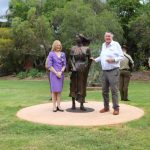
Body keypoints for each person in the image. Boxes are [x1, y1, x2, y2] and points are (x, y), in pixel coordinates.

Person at [91, 32, 124, 115]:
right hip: (104, 71)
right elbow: (102, 56)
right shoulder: (103, 45)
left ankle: (116, 108)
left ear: (111, 37)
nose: (107, 37)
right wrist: (95, 60)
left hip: (113, 70)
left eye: (109, 36)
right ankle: (106, 107)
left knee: (114, 90)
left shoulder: (116, 44)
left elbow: (122, 56)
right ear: (104, 37)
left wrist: (113, 60)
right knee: (104, 91)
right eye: (106, 36)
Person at [69, 34, 92, 111]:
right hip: (75, 68)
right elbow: (71, 59)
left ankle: (82, 104)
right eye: (76, 37)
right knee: (73, 85)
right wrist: (73, 66)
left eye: (78, 37)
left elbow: (89, 59)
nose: (76, 38)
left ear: (81, 39)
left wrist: (87, 68)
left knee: (82, 86)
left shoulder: (86, 48)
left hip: (83, 69)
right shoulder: (73, 48)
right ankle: (73, 104)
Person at [47, 40, 66, 112]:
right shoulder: (51, 54)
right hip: (54, 74)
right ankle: (54, 106)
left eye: (59, 45)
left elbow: (64, 65)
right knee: (54, 91)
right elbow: (49, 66)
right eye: (57, 45)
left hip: (61, 74)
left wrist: (60, 72)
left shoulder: (63, 54)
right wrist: (56, 73)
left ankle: (59, 106)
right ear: (54, 46)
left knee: (59, 91)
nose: (58, 46)